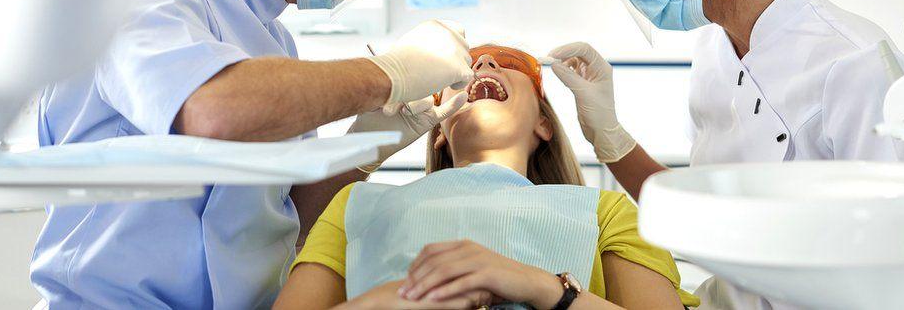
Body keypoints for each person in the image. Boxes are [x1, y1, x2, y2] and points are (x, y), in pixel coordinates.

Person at [30, 0, 475, 309]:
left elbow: (292, 216)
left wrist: (374, 136)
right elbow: (214, 110)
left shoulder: (277, 44)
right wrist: (389, 73)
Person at [550, 0, 904, 310]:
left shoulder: (854, 63)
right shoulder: (716, 54)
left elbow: (892, 259)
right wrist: (609, 137)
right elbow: (704, 212)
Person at [274, 45, 699, 310]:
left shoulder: (606, 213)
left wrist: (542, 288)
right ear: (438, 131)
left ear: (543, 126)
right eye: (467, 66)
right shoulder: (357, 206)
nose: (485, 62)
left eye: (510, 62)